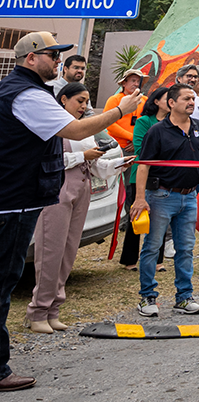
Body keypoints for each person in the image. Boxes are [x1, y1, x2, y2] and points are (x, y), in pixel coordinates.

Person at [1, 32, 139, 390]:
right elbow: (75, 129)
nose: (59, 60)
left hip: (22, 196)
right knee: (4, 282)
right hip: (15, 200)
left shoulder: (25, 90)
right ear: (31, 58)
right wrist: (120, 111)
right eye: (52, 54)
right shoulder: (27, 93)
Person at [26, 82, 115, 333]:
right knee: (50, 250)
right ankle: (38, 311)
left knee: (68, 250)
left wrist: (115, 164)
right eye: (80, 101)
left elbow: (92, 162)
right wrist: (82, 156)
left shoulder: (83, 128)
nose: (84, 106)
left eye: (87, 101)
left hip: (82, 186)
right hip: (58, 188)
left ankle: (53, 309)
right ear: (63, 99)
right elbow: (47, 160)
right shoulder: (52, 125)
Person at [131, 82, 199, 318]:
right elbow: (144, 165)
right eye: (186, 98)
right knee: (152, 247)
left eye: (193, 99)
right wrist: (139, 199)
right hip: (160, 196)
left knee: (185, 248)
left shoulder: (198, 127)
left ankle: (184, 297)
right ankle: (147, 296)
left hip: (189, 198)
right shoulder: (157, 130)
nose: (192, 102)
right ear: (171, 103)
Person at [133, 86, 176, 272]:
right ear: (156, 101)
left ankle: (158, 261)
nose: (170, 102)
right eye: (167, 98)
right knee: (137, 218)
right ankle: (130, 259)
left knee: (158, 222)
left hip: (163, 178)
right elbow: (139, 148)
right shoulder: (144, 121)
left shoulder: (173, 123)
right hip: (141, 176)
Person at [106, 68, 145, 266]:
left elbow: (145, 123)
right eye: (132, 80)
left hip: (135, 151)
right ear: (123, 83)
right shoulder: (115, 100)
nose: (135, 84)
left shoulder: (143, 101)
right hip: (117, 149)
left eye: (138, 81)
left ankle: (127, 220)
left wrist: (136, 141)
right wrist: (131, 138)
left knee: (131, 187)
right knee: (116, 187)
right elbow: (110, 124)